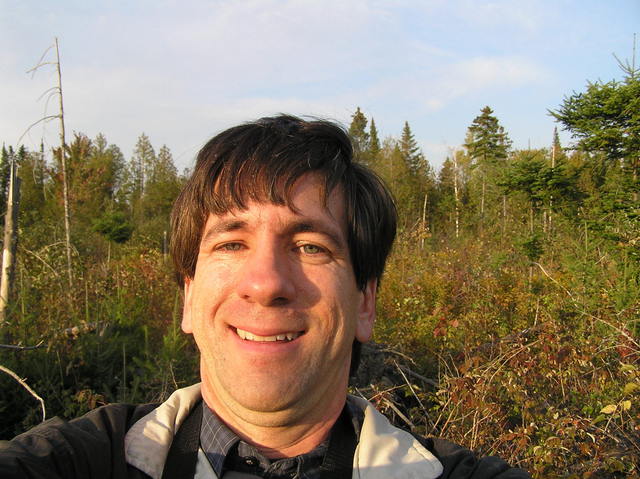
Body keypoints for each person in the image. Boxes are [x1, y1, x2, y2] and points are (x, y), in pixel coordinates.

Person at [0, 115, 530, 478]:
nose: (266, 282)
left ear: (365, 301)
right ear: (188, 297)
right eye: (231, 243)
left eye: (310, 245)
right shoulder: (77, 461)